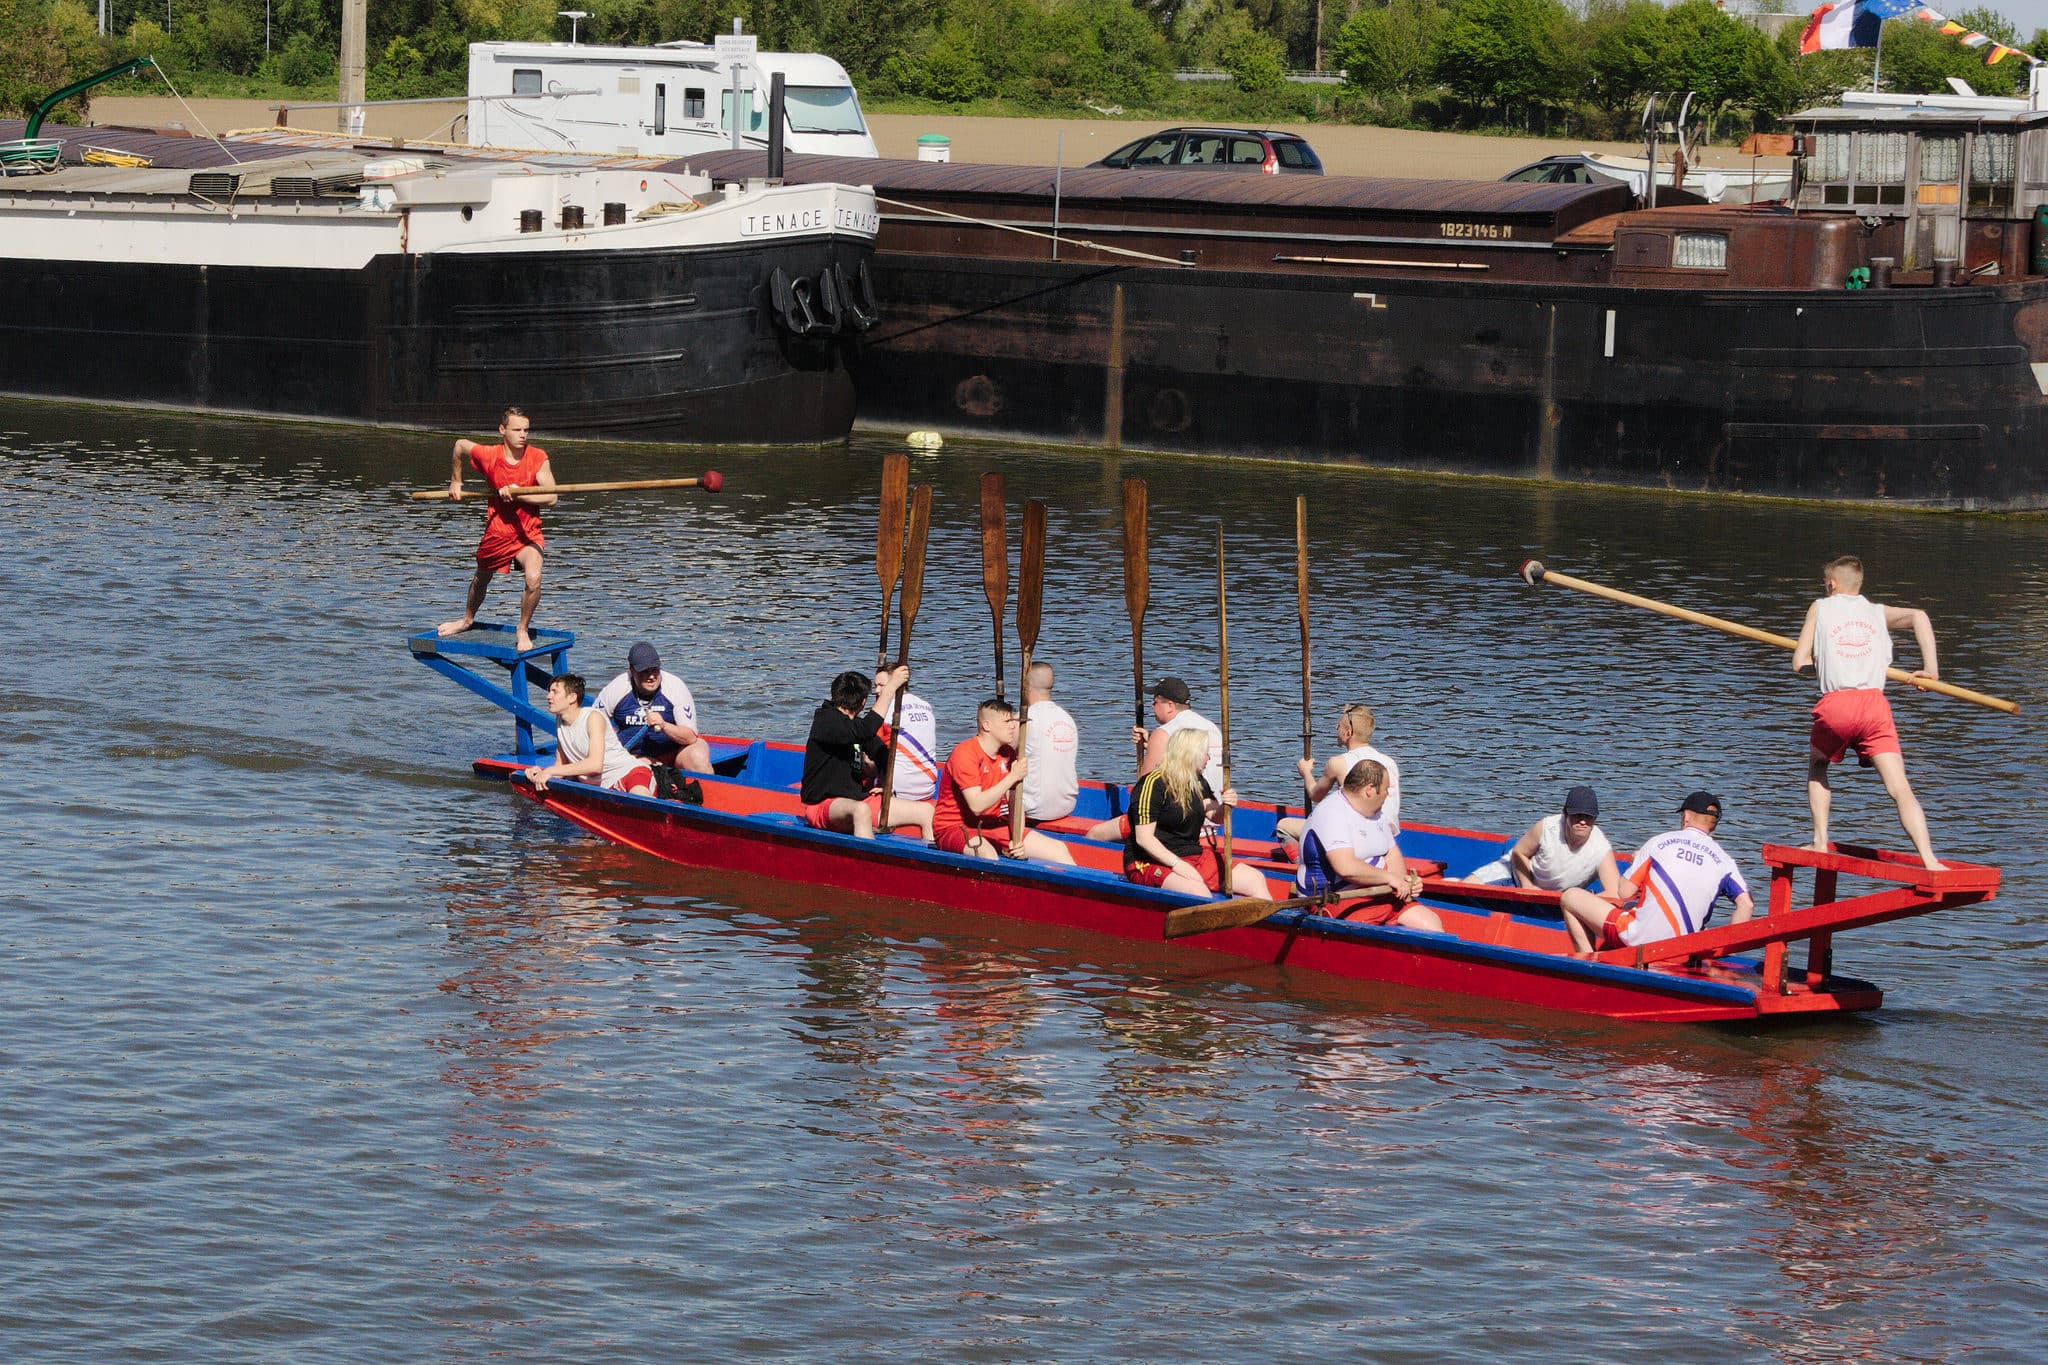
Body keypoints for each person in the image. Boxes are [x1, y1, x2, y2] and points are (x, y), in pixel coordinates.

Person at [1791, 554, 1944, 870]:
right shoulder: (1876, 613)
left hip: (1838, 704)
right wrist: (1930, 669)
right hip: (1875, 706)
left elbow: (1799, 662)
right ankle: (1929, 859)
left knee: (1818, 765)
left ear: (1831, 584)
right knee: (1899, 786)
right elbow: (1919, 616)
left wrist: (1820, 659)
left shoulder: (1820, 608)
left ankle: (1820, 841)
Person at [1559, 792, 1753, 954]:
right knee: (1634, 907)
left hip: (1642, 941)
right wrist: (1728, 951)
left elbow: (1624, 892)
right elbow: (1746, 905)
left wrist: (1637, 864)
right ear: (1714, 824)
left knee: (1570, 897)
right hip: (1684, 949)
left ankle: (1590, 963)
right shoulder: (1725, 861)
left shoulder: (1659, 843)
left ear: (1686, 817)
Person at [437, 407, 557, 652]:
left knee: (533, 578)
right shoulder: (489, 454)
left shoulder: (537, 457)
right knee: (481, 578)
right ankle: (467, 619)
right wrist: (456, 480)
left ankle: (522, 628)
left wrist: (519, 494)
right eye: (517, 430)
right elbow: (459, 445)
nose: (523, 435)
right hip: (498, 531)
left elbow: (552, 497)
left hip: (527, 533)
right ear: (503, 430)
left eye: (526, 430)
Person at [1294, 761, 1443, 932]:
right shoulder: (1332, 814)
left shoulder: (1376, 813)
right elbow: (1346, 868)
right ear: (1370, 790)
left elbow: (1391, 854)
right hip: (1332, 899)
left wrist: (1404, 882)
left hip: (1376, 893)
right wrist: (1390, 879)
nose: (1388, 795)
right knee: (1371, 930)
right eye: (1386, 789)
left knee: (1430, 922)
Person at [1123, 728, 1269, 899]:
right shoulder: (1153, 784)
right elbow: (1144, 839)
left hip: (1192, 854)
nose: (1208, 758)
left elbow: (1215, 816)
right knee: (1198, 892)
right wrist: (1177, 864)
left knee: (1255, 879)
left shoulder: (1197, 781)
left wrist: (1226, 805)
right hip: (1148, 861)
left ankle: (1265, 924)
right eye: (1205, 753)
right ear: (1190, 754)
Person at [932, 699, 1076, 864]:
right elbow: (977, 805)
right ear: (987, 726)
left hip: (991, 825)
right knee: (988, 855)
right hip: (953, 827)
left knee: (1059, 849)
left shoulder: (1007, 753)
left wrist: (1018, 838)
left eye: (1013, 721)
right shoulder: (965, 754)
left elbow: (1015, 802)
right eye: (1007, 722)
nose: (1013, 726)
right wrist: (1012, 777)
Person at [800, 666, 935, 841]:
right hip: (822, 805)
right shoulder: (825, 720)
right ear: (863, 702)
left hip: (858, 799)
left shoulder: (856, 726)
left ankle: (925, 866)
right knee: (860, 811)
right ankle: (867, 863)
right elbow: (866, 729)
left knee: (926, 812)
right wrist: (890, 689)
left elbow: (884, 756)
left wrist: (885, 784)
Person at [1086, 675, 1222, 843]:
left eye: (1155, 702)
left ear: (1170, 705)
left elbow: (1144, 790)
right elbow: (1183, 757)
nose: (1152, 706)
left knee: (1094, 834)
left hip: (1175, 824)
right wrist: (1151, 744)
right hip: (1211, 821)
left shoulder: (1164, 732)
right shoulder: (1211, 728)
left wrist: (1154, 744)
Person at [1275, 701, 1403, 849]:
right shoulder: (1389, 762)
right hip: (1386, 835)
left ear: (1349, 733)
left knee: (1283, 826)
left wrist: (1306, 773)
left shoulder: (1339, 763)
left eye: (1339, 726)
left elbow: (1315, 795)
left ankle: (1307, 866)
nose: (1336, 729)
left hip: (1358, 835)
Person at [1463, 785, 1624, 895]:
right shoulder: (1547, 827)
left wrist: (1587, 902)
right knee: (1466, 887)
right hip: (1513, 874)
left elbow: (1614, 893)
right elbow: (1519, 852)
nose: (1582, 821)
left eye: (1588, 816)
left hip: (1550, 898)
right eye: (1577, 815)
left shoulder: (1600, 848)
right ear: (1565, 814)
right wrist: (1527, 886)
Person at [523, 672, 654, 796]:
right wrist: (540, 773)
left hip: (630, 772)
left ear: (572, 697)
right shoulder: (560, 721)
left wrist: (551, 771)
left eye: (555, 692)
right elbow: (560, 767)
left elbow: (595, 765)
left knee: (640, 796)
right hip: (605, 787)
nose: (548, 696)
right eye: (549, 691)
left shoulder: (593, 718)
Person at [595, 641, 712, 776]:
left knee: (699, 755)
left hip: (673, 754)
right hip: (630, 757)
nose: (651, 677)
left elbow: (690, 737)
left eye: (655, 670)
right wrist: (629, 759)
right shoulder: (617, 688)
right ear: (631, 671)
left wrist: (664, 725)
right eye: (644, 672)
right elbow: (591, 727)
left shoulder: (675, 687)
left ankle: (710, 794)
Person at [1020, 661, 1079, 823]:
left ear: (1026, 685)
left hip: (1033, 808)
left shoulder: (1025, 719)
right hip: (1067, 804)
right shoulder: (1067, 718)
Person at [878, 683, 940, 805]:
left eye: (881, 685)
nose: (877, 690)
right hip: (928, 788)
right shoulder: (925, 705)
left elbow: (870, 757)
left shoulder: (887, 709)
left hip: (898, 792)